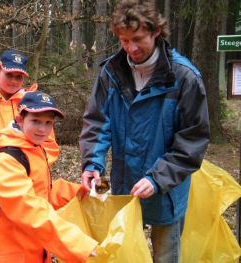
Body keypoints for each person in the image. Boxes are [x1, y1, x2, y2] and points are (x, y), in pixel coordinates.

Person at [79, 1, 210, 262]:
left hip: (167, 190)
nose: (131, 48)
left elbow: (191, 141)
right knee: (125, 254)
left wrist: (157, 179)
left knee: (165, 256)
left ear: (156, 32)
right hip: (124, 186)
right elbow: (97, 121)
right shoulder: (111, 72)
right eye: (124, 40)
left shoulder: (183, 77)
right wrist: (92, 163)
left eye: (138, 39)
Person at [0, 91, 98, 263]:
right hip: (3, 255)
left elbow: (42, 194)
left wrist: (82, 191)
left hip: (32, 251)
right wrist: (76, 243)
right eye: (36, 121)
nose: (42, 129)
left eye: (48, 123)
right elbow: (28, 208)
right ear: (20, 120)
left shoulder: (33, 150)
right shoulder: (5, 160)